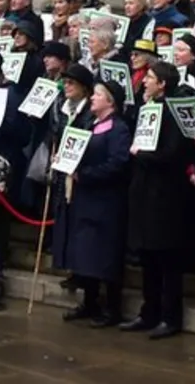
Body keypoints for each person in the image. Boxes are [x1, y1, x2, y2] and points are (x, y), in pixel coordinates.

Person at [53, 79, 133, 327]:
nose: (93, 98)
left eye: (98, 94)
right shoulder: (89, 124)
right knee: (85, 253)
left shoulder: (118, 128)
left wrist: (86, 175)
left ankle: (112, 308)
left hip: (106, 199)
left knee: (105, 255)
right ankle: (89, 302)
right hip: (84, 197)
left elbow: (118, 163)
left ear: (110, 101)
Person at [122, 61, 193, 339]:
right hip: (144, 191)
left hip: (166, 195)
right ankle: (148, 311)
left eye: (150, 78)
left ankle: (170, 316)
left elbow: (173, 154)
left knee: (167, 259)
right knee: (148, 258)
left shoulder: (173, 113)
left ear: (163, 83)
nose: (145, 82)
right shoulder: (147, 109)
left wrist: (141, 154)